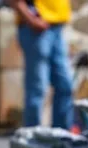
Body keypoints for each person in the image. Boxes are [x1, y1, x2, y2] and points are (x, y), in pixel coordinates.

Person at [6, 0, 74, 129]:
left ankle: (62, 135)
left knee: (65, 86)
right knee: (37, 88)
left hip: (56, 26)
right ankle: (32, 135)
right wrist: (31, 20)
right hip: (36, 29)